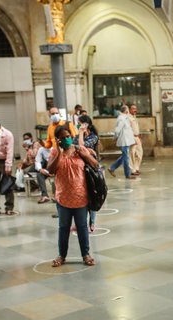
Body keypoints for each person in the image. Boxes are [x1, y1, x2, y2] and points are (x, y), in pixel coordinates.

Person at [47, 125, 100, 267]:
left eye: (68, 136)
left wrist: (86, 155)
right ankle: (61, 256)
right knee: (63, 227)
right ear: (58, 140)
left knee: (82, 227)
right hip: (63, 198)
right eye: (62, 138)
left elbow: (95, 165)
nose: (66, 139)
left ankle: (86, 255)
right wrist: (58, 151)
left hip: (80, 197)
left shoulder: (79, 150)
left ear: (71, 136)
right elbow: (51, 170)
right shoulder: (54, 153)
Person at [77, 114, 100, 232]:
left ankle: (92, 223)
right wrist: (85, 149)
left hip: (91, 169)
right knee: (82, 195)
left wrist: (81, 133)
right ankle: (81, 223)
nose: (78, 125)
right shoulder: (78, 136)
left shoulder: (93, 136)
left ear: (86, 124)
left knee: (92, 195)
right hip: (80, 168)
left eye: (79, 123)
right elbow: (75, 147)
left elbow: (81, 146)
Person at [109, 105, 136, 179]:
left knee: (125, 156)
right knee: (126, 158)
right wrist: (115, 137)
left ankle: (112, 168)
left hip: (127, 141)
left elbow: (128, 130)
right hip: (124, 141)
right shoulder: (121, 118)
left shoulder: (125, 118)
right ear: (126, 111)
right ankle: (127, 175)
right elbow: (118, 130)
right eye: (128, 109)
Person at [129, 104, 143, 176]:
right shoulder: (128, 118)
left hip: (137, 137)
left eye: (135, 108)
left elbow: (136, 128)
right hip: (132, 138)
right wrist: (132, 139)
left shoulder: (134, 117)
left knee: (140, 153)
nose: (135, 110)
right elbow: (128, 130)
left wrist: (139, 137)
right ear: (130, 109)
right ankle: (132, 170)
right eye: (133, 109)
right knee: (132, 154)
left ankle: (137, 168)